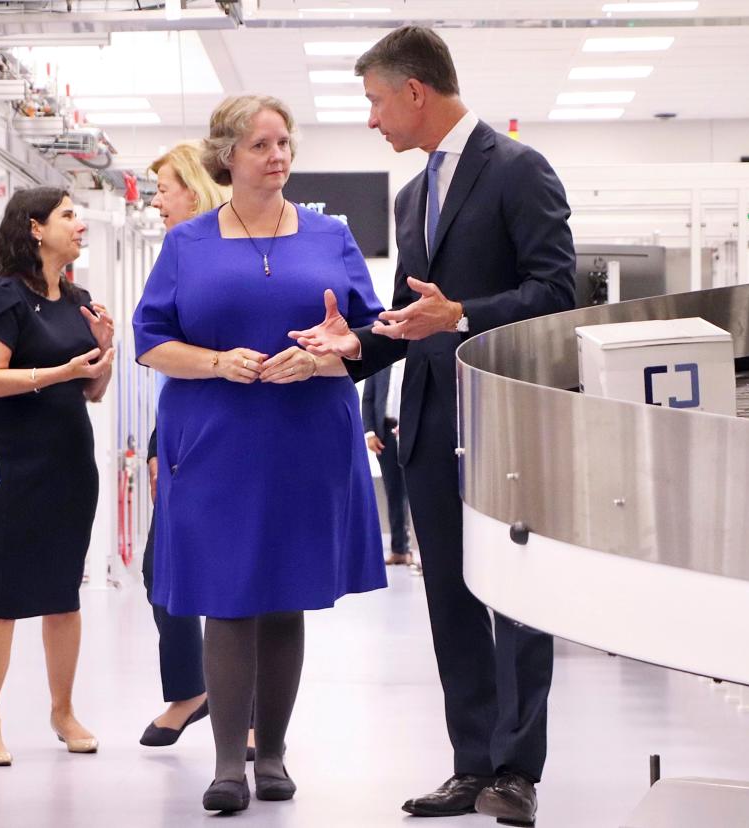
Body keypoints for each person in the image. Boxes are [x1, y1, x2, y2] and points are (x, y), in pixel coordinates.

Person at [290, 26, 576, 826]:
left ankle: (517, 771)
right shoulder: (412, 195)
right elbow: (410, 319)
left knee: (517, 602)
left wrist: (466, 316)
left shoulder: (520, 171)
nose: (374, 120)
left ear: (415, 91)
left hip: (507, 426)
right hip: (428, 428)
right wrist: (353, 348)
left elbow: (557, 296)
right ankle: (471, 763)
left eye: (377, 101)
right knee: (449, 598)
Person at [133, 94, 387, 814]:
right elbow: (151, 341)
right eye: (261, 145)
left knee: (284, 597)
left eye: (285, 143)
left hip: (305, 436)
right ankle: (224, 765)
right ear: (227, 156)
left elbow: (367, 340)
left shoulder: (331, 236)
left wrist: (324, 359)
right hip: (215, 438)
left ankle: (270, 752)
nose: (278, 157)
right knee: (227, 598)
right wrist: (217, 363)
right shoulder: (188, 244)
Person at [0, 187, 115, 767]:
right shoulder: (3, 295)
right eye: (68, 215)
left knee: (63, 591)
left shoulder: (77, 298)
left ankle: (63, 710)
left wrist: (102, 352)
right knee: (2, 592)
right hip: (10, 462)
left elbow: (92, 391)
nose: (80, 224)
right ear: (34, 228)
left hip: (69, 460)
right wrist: (61, 371)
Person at [137, 142, 229, 750]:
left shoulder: (224, 255)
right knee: (160, 568)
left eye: (164, 189)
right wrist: (153, 441)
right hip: (184, 426)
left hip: (233, 426)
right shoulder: (179, 253)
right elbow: (159, 346)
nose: (158, 202)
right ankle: (192, 689)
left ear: (193, 189)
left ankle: (246, 716)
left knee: (235, 570)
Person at [361, 363, 417, 568]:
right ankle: (399, 549)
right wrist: (370, 433)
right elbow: (367, 399)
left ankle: (421, 551)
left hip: (412, 430)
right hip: (385, 434)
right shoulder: (380, 363)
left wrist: (412, 424)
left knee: (417, 491)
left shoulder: (415, 361)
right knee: (394, 491)